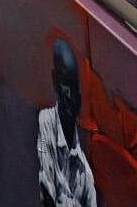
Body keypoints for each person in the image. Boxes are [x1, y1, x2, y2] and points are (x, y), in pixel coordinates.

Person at [37, 37, 96, 207]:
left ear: (79, 99)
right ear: (55, 80)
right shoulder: (46, 122)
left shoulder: (84, 174)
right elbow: (47, 192)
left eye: (73, 86)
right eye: (65, 82)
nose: (69, 94)